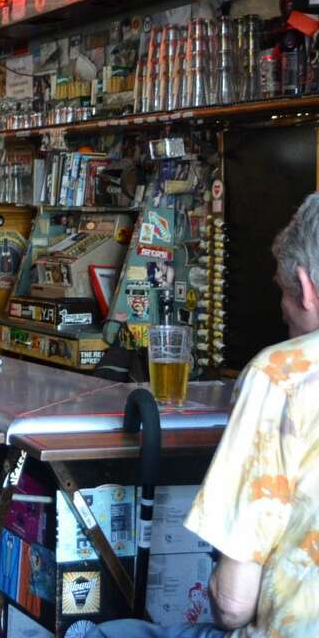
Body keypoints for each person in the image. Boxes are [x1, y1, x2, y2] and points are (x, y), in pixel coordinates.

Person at [87, 192, 319, 638]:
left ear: (305, 287)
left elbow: (232, 605)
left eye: (283, 293)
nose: (282, 311)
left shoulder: (282, 374)